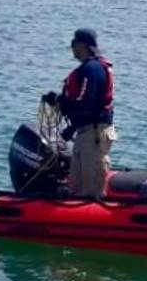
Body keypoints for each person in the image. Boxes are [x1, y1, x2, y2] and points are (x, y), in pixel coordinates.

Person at [43, 28, 116, 198]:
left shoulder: (92, 70)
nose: (72, 48)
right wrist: (72, 126)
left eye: (73, 44)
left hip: (94, 133)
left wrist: (60, 102)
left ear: (82, 45)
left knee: (91, 188)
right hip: (85, 133)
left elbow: (85, 104)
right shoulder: (91, 68)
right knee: (76, 185)